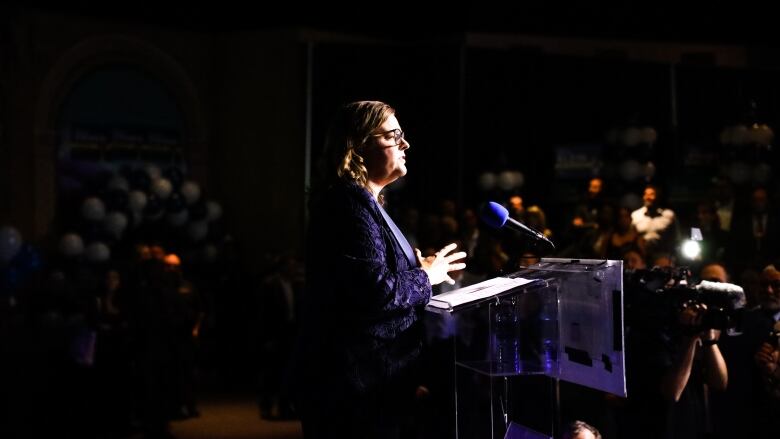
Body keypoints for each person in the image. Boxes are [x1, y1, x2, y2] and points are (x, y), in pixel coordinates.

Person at [292, 101, 466, 439]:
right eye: (394, 135)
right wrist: (426, 275)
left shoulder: (365, 203)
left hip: (370, 385)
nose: (406, 144)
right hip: (352, 391)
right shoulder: (349, 205)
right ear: (358, 146)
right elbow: (376, 292)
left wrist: (418, 267)